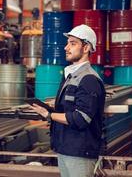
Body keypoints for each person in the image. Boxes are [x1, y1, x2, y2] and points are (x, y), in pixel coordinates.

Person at [30, 24, 106, 177]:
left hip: (79, 152)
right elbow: (69, 109)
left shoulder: (89, 79)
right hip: (66, 148)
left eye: (73, 43)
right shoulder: (71, 76)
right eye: (67, 43)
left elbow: (81, 119)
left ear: (86, 48)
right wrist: (50, 108)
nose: (66, 47)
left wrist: (49, 115)